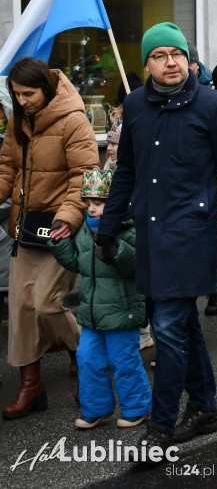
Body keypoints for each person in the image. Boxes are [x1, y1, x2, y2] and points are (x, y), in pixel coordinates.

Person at [97, 22, 217, 454]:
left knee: (166, 330)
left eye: (177, 54)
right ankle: (204, 409)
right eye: (160, 55)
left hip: (192, 237)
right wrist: (107, 228)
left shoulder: (213, 105)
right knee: (183, 328)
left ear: (188, 60)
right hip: (148, 235)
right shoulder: (135, 107)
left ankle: (160, 427)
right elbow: (125, 172)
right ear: (146, 63)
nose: (171, 62)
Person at [0, 59, 97, 419]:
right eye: (17, 94)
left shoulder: (74, 120)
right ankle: (31, 386)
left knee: (47, 304)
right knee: (21, 307)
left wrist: (68, 218)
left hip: (61, 230)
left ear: (46, 87)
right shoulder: (18, 120)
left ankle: (88, 361)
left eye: (29, 93)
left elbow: (85, 175)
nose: (22, 101)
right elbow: (7, 168)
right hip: (25, 228)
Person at [50, 168, 151, 429]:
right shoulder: (84, 231)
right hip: (92, 313)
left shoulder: (128, 229)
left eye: (99, 203)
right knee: (87, 358)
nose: (92, 209)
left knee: (123, 361)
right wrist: (60, 244)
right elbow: (77, 263)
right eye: (89, 203)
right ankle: (96, 408)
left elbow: (139, 267)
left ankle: (138, 407)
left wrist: (116, 251)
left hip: (122, 310)